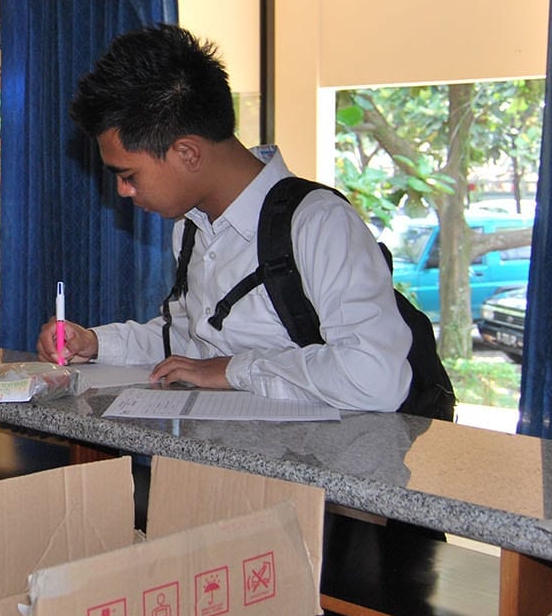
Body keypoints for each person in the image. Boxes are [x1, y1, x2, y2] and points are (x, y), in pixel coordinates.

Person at [35, 24, 414, 411]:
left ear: (188, 153)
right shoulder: (191, 228)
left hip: (324, 449)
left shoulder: (319, 224)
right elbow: (194, 342)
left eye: (129, 175)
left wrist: (233, 370)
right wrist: (97, 343)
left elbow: (375, 377)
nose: (123, 191)